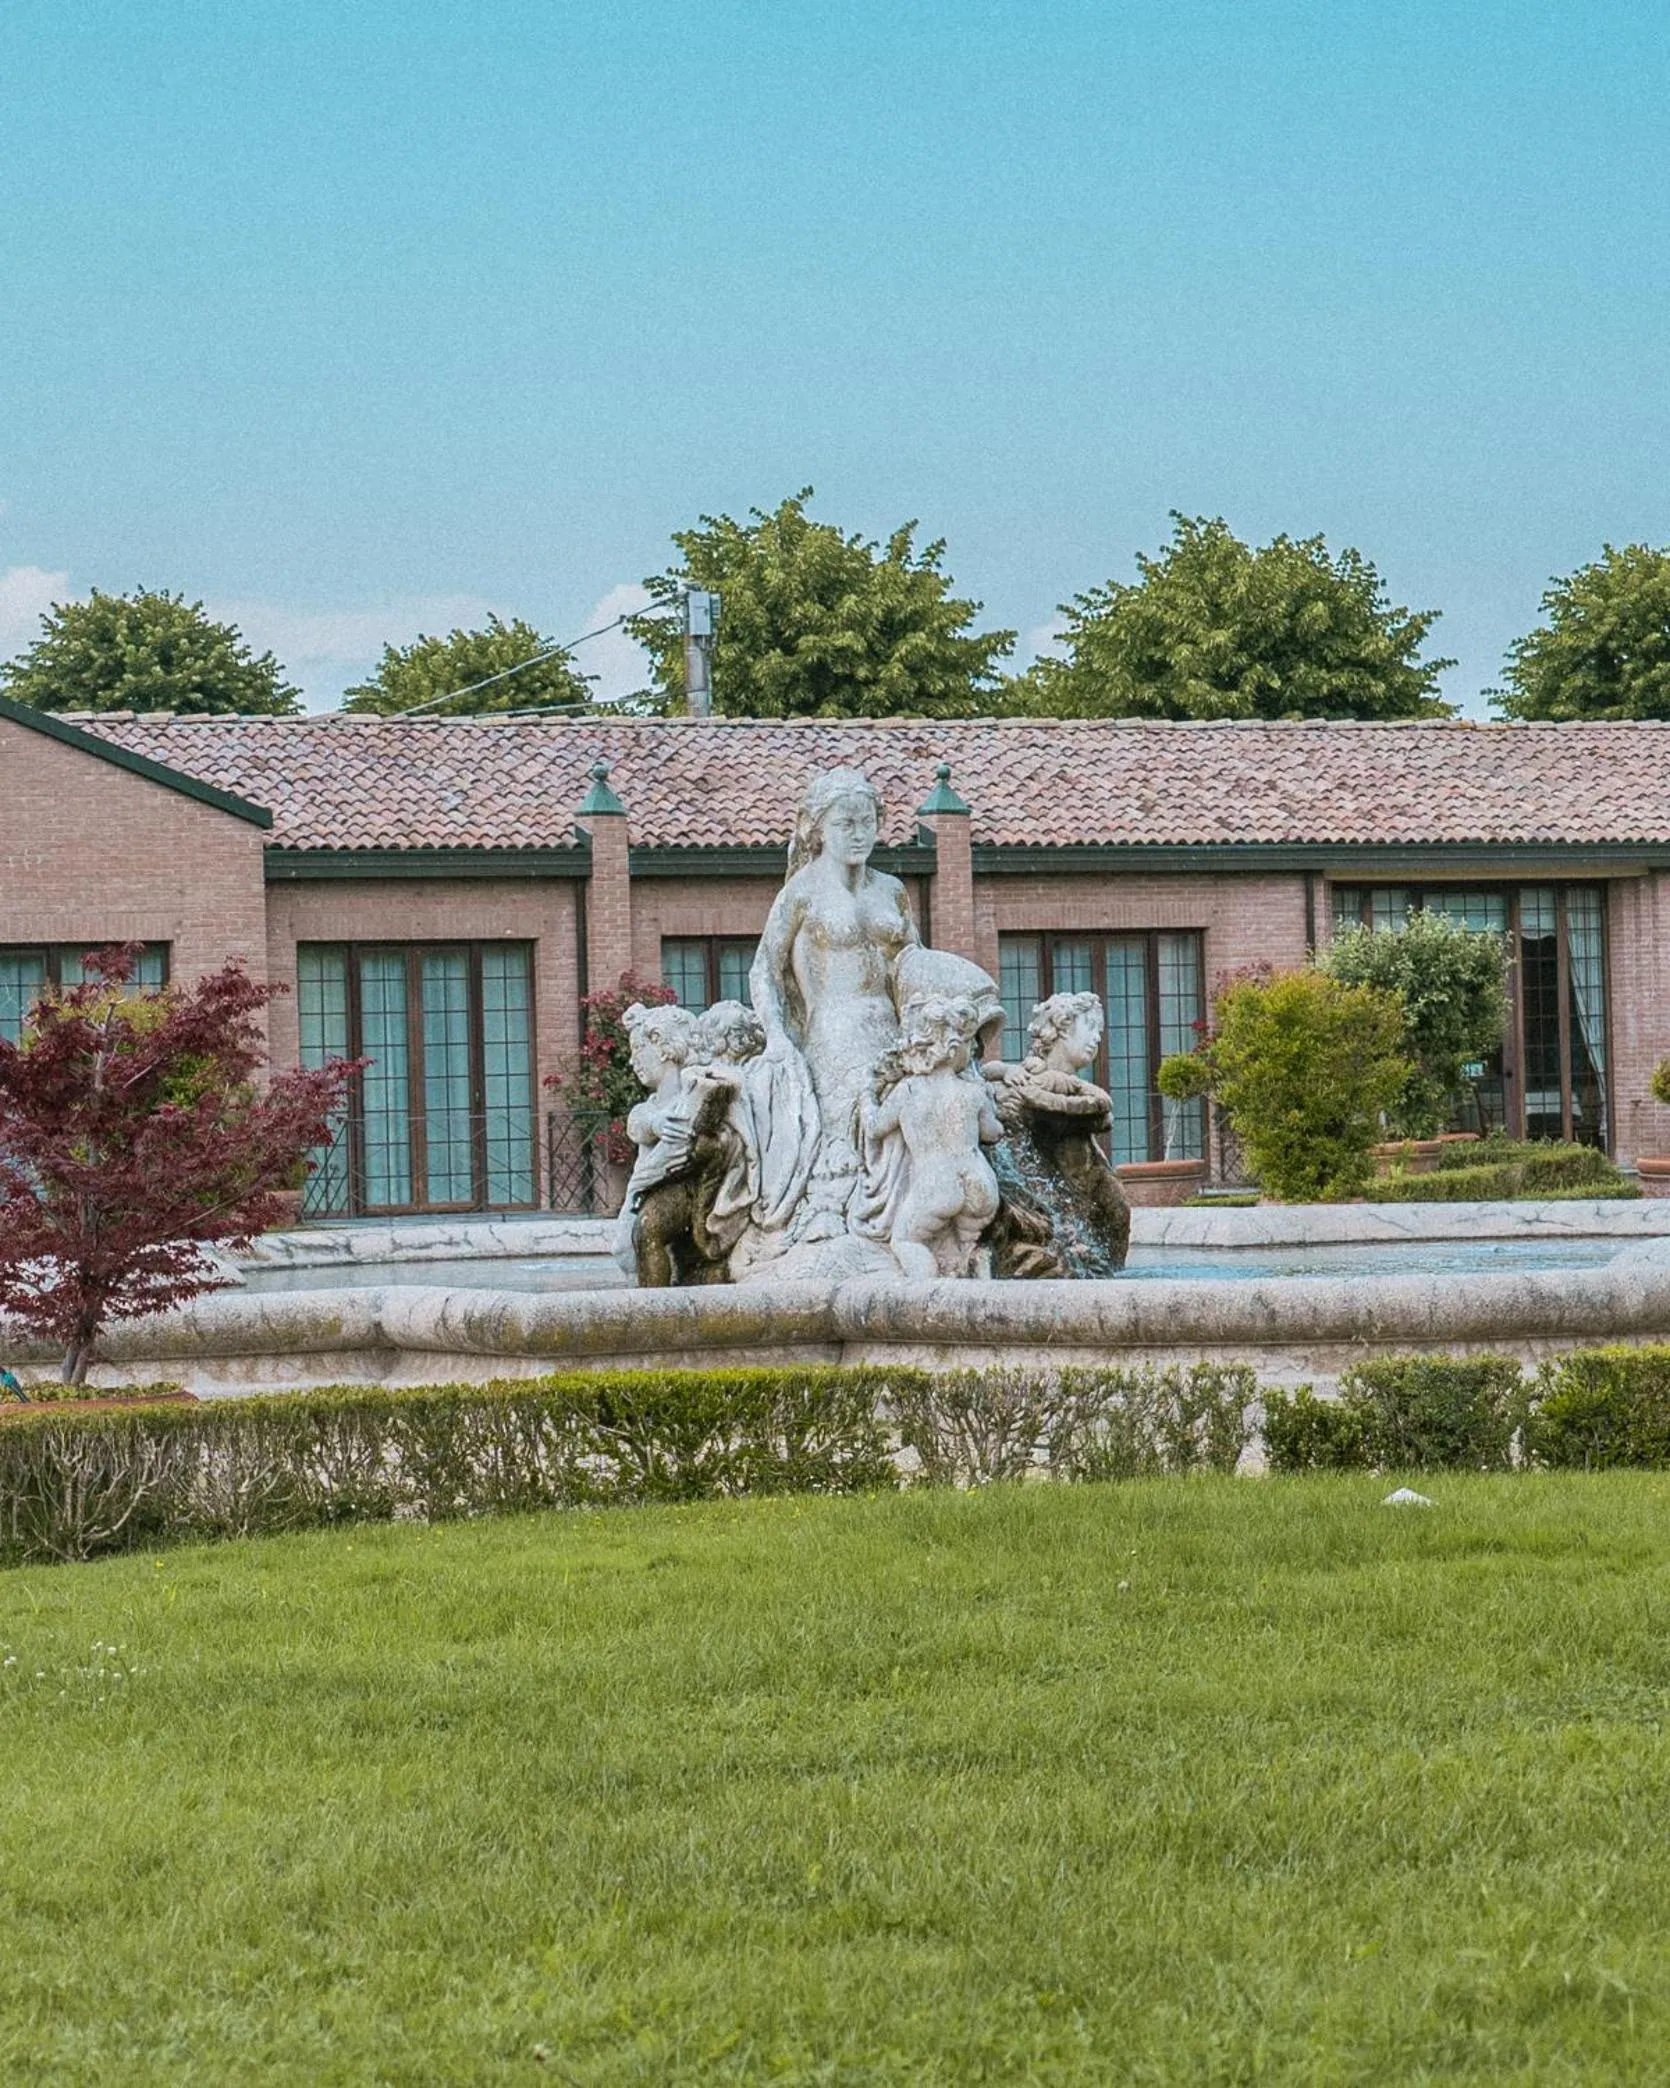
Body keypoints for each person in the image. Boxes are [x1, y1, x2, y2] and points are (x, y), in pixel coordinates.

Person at [749, 767, 919, 1238]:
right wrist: (778, 1039)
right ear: (817, 828)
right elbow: (763, 969)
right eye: (845, 823)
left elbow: (914, 967)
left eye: (867, 821)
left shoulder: (892, 891)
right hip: (834, 1035)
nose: (859, 833)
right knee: (848, 1146)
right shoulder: (801, 892)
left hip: (894, 1032)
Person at [861, 992, 1003, 1279]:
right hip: (981, 1183)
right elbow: (993, 1133)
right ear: (952, 1050)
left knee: (906, 1241)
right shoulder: (972, 1091)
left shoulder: (909, 1091)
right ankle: (977, 1266)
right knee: (969, 1247)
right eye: (969, 1042)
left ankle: (927, 1302)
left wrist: (867, 1098)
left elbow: (875, 1128)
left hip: (937, 1184)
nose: (974, 1049)